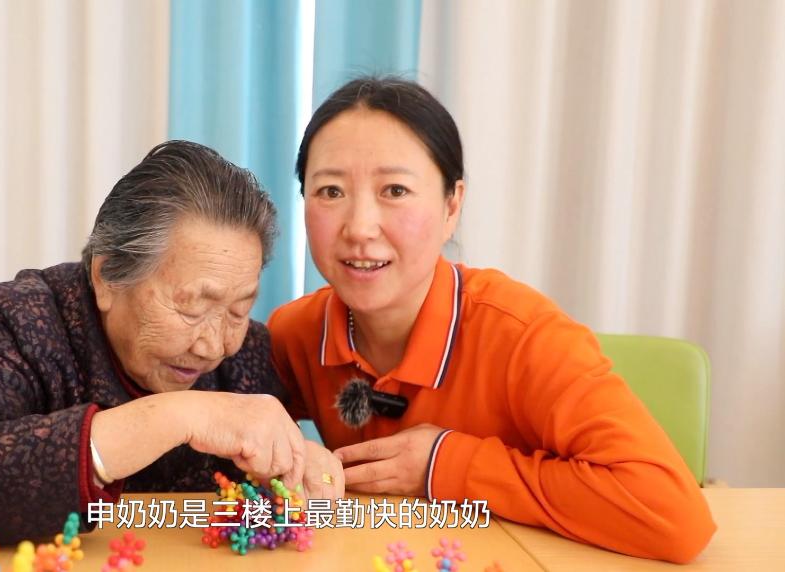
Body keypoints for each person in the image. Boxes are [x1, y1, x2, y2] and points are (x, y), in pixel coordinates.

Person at [268, 77, 715, 563]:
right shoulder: (295, 334)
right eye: (330, 190)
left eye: (395, 189)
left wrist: (447, 465)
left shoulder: (524, 337)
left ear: (451, 205)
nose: (359, 227)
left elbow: (674, 516)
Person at [0, 140, 343, 550]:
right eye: (192, 307)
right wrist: (179, 416)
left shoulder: (246, 354)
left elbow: (255, 501)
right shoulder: (14, 322)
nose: (214, 346)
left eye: (239, 309)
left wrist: (295, 466)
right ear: (107, 278)